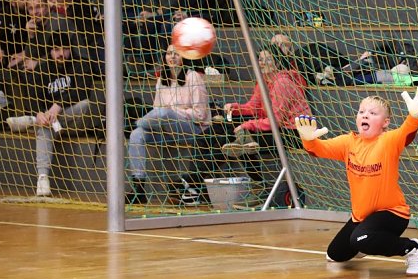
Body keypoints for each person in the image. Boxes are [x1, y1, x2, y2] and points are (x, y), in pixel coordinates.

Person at [295, 84, 418, 275]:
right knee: (334, 254)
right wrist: (308, 139)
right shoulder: (348, 142)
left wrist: (414, 117)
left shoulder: (388, 141)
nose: (365, 115)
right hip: (361, 217)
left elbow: (406, 134)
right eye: (361, 112)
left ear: (385, 122)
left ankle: (412, 248)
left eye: (373, 113)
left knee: (361, 239)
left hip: (392, 214)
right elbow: (316, 150)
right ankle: (365, 241)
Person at [213, 45, 312, 205]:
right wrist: (235, 108)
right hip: (279, 128)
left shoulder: (282, 83)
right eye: (260, 59)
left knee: (247, 134)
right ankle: (255, 177)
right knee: (235, 129)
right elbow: (253, 107)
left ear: (278, 63)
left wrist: (248, 125)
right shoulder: (264, 82)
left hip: (296, 132)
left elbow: (277, 119)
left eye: (268, 59)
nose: (263, 63)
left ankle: (259, 188)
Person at [4, 32, 99, 197]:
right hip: (54, 126)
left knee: (85, 104)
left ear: (71, 49)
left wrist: (58, 106)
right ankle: (43, 178)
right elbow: (32, 96)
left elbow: (82, 90)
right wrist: (39, 113)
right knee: (45, 125)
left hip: (78, 122)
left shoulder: (82, 64)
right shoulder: (43, 68)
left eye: (65, 49)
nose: (61, 53)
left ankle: (31, 121)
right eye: (56, 49)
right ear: (50, 51)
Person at [126, 44, 211, 205]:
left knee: (165, 113)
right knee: (136, 134)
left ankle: (136, 122)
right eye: (169, 53)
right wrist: (166, 114)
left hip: (193, 129)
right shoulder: (161, 80)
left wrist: (175, 112)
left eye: (176, 54)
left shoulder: (193, 77)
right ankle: (139, 189)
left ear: (184, 57)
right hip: (166, 127)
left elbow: (200, 115)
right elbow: (156, 111)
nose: (172, 57)